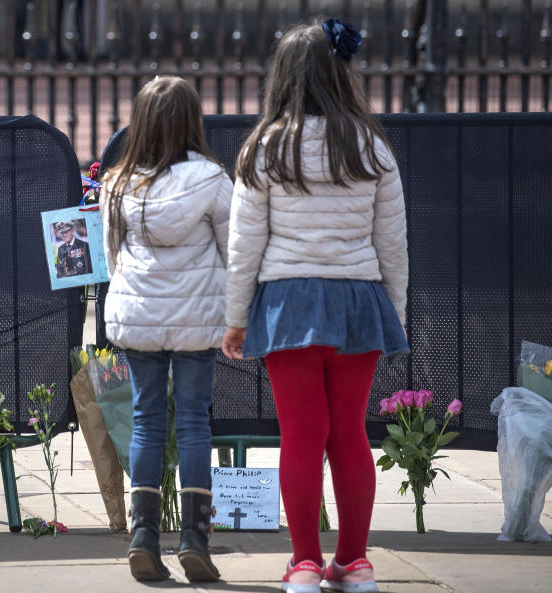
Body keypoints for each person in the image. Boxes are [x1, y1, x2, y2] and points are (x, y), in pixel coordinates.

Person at [221, 19, 409, 593]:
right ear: (340, 72)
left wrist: (235, 317)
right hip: (359, 297)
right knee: (351, 431)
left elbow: (244, 245)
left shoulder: (265, 146)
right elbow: (392, 243)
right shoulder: (371, 145)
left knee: (300, 434)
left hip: (287, 300)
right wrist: (392, 312)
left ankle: (304, 563)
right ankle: (354, 563)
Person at [101, 75, 232, 583]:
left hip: (139, 319)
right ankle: (195, 541)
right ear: (190, 123)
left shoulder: (118, 182)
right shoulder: (212, 180)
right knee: (194, 422)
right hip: (198, 319)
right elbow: (232, 249)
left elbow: (113, 257)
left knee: (147, 420)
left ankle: (143, 540)